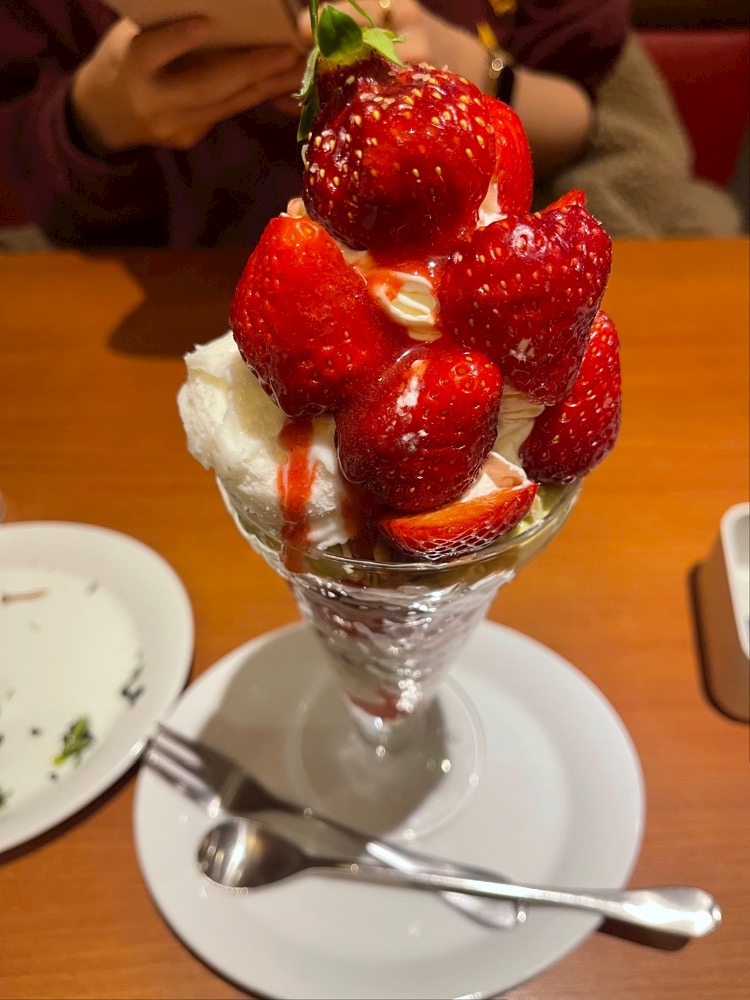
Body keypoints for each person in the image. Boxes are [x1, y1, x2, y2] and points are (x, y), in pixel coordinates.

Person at [0, 0, 630, 249]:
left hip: (469, 288)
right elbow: (31, 168)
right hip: (177, 287)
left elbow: (591, 111)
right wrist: (97, 120)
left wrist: (478, 73)